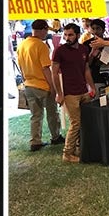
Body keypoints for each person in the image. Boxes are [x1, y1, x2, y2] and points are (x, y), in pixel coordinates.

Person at [16, 20, 64, 152]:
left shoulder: (22, 45)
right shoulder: (41, 46)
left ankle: (35, 141)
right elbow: (46, 69)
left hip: (28, 85)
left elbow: (20, 66)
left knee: (35, 115)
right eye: (46, 30)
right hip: (42, 85)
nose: (46, 33)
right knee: (52, 113)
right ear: (43, 29)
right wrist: (53, 87)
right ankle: (55, 136)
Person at [52, 23, 94, 163]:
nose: (67, 37)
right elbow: (54, 72)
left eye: (70, 35)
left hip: (83, 91)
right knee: (75, 123)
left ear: (77, 34)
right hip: (70, 93)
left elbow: (86, 69)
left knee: (86, 121)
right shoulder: (59, 51)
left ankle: (80, 148)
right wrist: (59, 93)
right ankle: (67, 154)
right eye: (65, 35)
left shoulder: (83, 49)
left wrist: (91, 87)